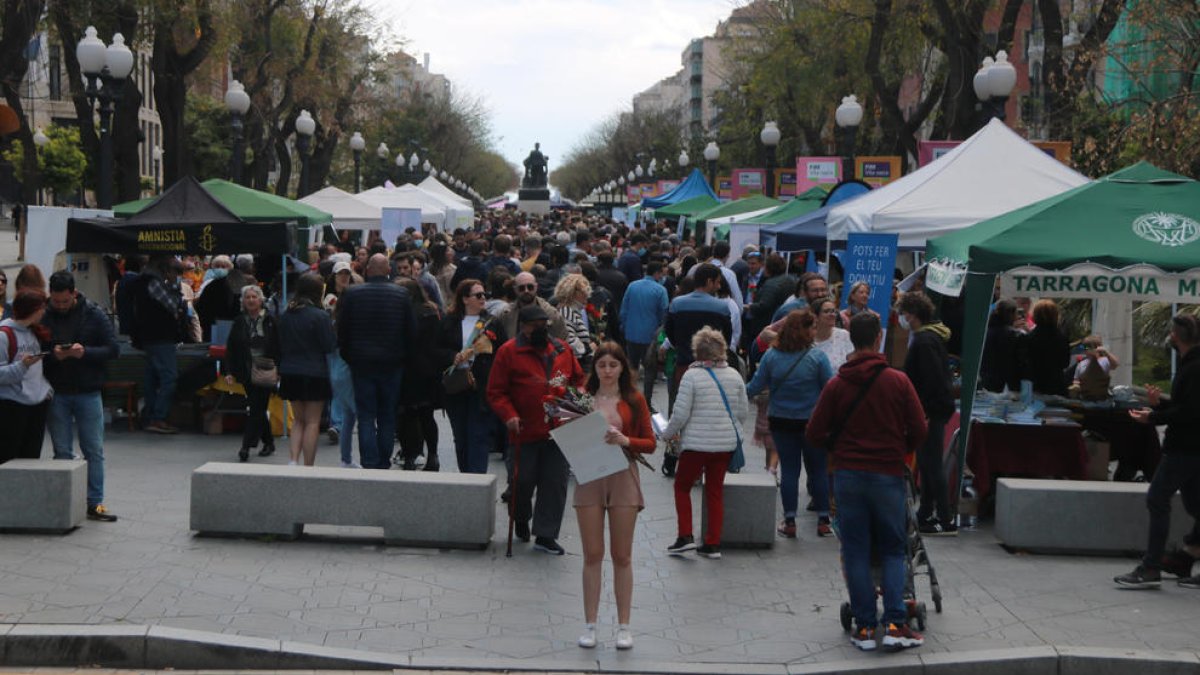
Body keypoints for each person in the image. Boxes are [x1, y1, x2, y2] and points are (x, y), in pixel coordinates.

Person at [807, 312, 927, 651]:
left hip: (848, 476)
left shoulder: (837, 383)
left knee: (855, 549)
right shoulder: (898, 381)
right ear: (878, 339)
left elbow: (814, 432)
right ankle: (894, 623)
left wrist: (839, 447)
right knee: (892, 549)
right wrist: (898, 449)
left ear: (852, 340)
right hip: (887, 474)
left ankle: (863, 626)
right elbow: (920, 428)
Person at [486, 304, 585, 556]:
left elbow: (578, 381)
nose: (541, 330)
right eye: (535, 326)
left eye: (544, 325)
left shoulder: (562, 350)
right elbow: (496, 391)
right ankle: (520, 516)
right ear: (524, 327)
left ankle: (546, 534)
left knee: (555, 482)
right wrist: (510, 415)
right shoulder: (509, 352)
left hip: (559, 429)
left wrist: (577, 400)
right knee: (522, 480)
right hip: (524, 430)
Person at [574, 342, 655, 651]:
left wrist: (625, 439)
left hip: (623, 475)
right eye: (602, 365)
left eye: (613, 365)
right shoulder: (583, 399)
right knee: (592, 553)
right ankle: (590, 624)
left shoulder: (634, 400)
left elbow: (649, 442)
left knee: (622, 555)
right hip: (590, 476)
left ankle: (624, 625)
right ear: (594, 368)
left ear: (623, 368)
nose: (607, 370)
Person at [1115, 314, 1200, 589]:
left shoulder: (1194, 367)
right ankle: (1187, 555)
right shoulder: (1191, 364)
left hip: (1185, 448)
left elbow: (1190, 412)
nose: (1170, 338)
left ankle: (1151, 567)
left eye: (1172, 334)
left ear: (1177, 336)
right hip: (1190, 447)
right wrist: (1158, 406)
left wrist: (1152, 418)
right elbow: (1185, 407)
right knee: (1196, 505)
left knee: (1157, 498)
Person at [661, 327, 749, 560]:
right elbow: (742, 412)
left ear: (697, 352)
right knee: (714, 492)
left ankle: (685, 536)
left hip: (696, 445)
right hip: (724, 446)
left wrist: (667, 434)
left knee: (682, 487)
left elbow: (680, 414)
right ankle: (712, 543)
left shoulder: (691, 376)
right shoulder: (734, 376)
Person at [42, 272, 120, 520]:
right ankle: (66, 502)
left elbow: (112, 349)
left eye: (65, 301)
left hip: (88, 390)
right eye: (56, 302)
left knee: (93, 450)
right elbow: (37, 352)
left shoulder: (94, 314)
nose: (61, 306)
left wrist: (84, 353)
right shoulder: (44, 315)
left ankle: (94, 502)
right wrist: (54, 354)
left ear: (74, 293)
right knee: (62, 450)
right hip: (57, 391)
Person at [337, 254, 416, 470]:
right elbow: (410, 332)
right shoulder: (401, 295)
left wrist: (349, 356)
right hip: (392, 363)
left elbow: (342, 330)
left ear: (368, 270)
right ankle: (383, 460)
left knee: (365, 415)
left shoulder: (353, 294)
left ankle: (369, 461)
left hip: (361, 363)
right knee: (387, 414)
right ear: (388, 270)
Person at [897, 292, 957, 536]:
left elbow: (930, 380)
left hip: (929, 410)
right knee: (927, 462)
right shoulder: (931, 338)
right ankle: (927, 513)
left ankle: (944, 516)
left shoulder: (923, 342)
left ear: (911, 315)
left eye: (903, 313)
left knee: (931, 463)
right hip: (934, 408)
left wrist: (924, 411)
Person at [436, 279, 503, 474]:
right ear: (465, 299)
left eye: (484, 295)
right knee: (461, 435)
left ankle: (478, 478)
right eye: (478, 295)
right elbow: (435, 349)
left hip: (481, 385)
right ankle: (466, 475)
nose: (483, 299)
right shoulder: (449, 322)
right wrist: (452, 356)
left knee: (479, 434)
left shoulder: (492, 322)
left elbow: (501, 352)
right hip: (456, 385)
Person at [276, 273, 336, 466]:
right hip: (315, 371)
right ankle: (308, 464)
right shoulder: (320, 316)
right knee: (312, 422)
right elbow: (329, 345)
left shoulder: (286, 315)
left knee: (298, 420)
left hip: (290, 370)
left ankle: (293, 459)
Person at [131, 255, 188, 434]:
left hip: (148, 337)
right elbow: (173, 304)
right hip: (160, 337)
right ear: (165, 269)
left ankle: (149, 417)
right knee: (169, 378)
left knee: (151, 378)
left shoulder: (143, 280)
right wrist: (174, 285)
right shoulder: (154, 282)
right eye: (175, 270)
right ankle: (157, 417)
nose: (177, 274)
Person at [663, 263, 733, 409]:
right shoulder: (722, 308)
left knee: (681, 405)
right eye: (718, 282)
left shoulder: (677, 304)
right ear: (709, 282)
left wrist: (681, 346)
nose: (719, 286)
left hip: (684, 364)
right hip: (712, 368)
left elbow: (669, 331)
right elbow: (726, 337)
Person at [222, 285, 277, 463]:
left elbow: (279, 345)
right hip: (245, 370)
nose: (251, 300)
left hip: (266, 369)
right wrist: (229, 371)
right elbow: (231, 347)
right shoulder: (239, 321)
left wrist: (280, 370)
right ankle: (269, 442)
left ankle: (246, 446)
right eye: (248, 297)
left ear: (261, 300)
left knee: (256, 408)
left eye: (254, 297)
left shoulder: (270, 320)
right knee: (258, 408)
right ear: (243, 302)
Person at [394, 277, 442, 471]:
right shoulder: (430, 312)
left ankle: (410, 454)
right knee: (427, 415)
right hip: (428, 369)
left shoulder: (400, 314)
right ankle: (433, 454)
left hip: (406, 369)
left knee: (406, 415)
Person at [0, 291, 52, 463]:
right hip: (12, 406)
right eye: (42, 308)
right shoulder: (4, 335)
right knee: (9, 459)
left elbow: (36, 370)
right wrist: (23, 365)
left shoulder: (33, 332)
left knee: (31, 460)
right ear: (33, 310)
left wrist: (45, 389)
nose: (44, 312)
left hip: (36, 404)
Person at [619, 260, 669, 392]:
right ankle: (646, 400)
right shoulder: (661, 290)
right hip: (650, 335)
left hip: (631, 332)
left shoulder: (632, 286)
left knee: (631, 367)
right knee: (650, 369)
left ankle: (630, 394)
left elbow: (624, 309)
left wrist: (624, 327)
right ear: (657, 273)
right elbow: (664, 313)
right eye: (661, 274)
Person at [495, 271, 566, 344]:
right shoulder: (504, 314)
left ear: (536, 287)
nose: (526, 291)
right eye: (521, 288)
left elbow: (562, 341)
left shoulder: (551, 314)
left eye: (530, 287)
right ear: (515, 289)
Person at [1024, 299, 1071, 396]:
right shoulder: (1062, 338)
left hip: (1034, 387)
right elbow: (1065, 363)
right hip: (1057, 386)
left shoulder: (1029, 338)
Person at [980, 299, 1024, 393]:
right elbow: (1019, 362)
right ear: (1011, 314)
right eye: (1017, 313)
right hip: (1007, 385)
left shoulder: (985, 332)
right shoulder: (1014, 335)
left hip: (986, 381)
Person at [554, 273, 594, 367]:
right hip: (576, 363)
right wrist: (588, 348)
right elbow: (569, 341)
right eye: (584, 291)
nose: (587, 295)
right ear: (573, 292)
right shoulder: (566, 311)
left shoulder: (571, 310)